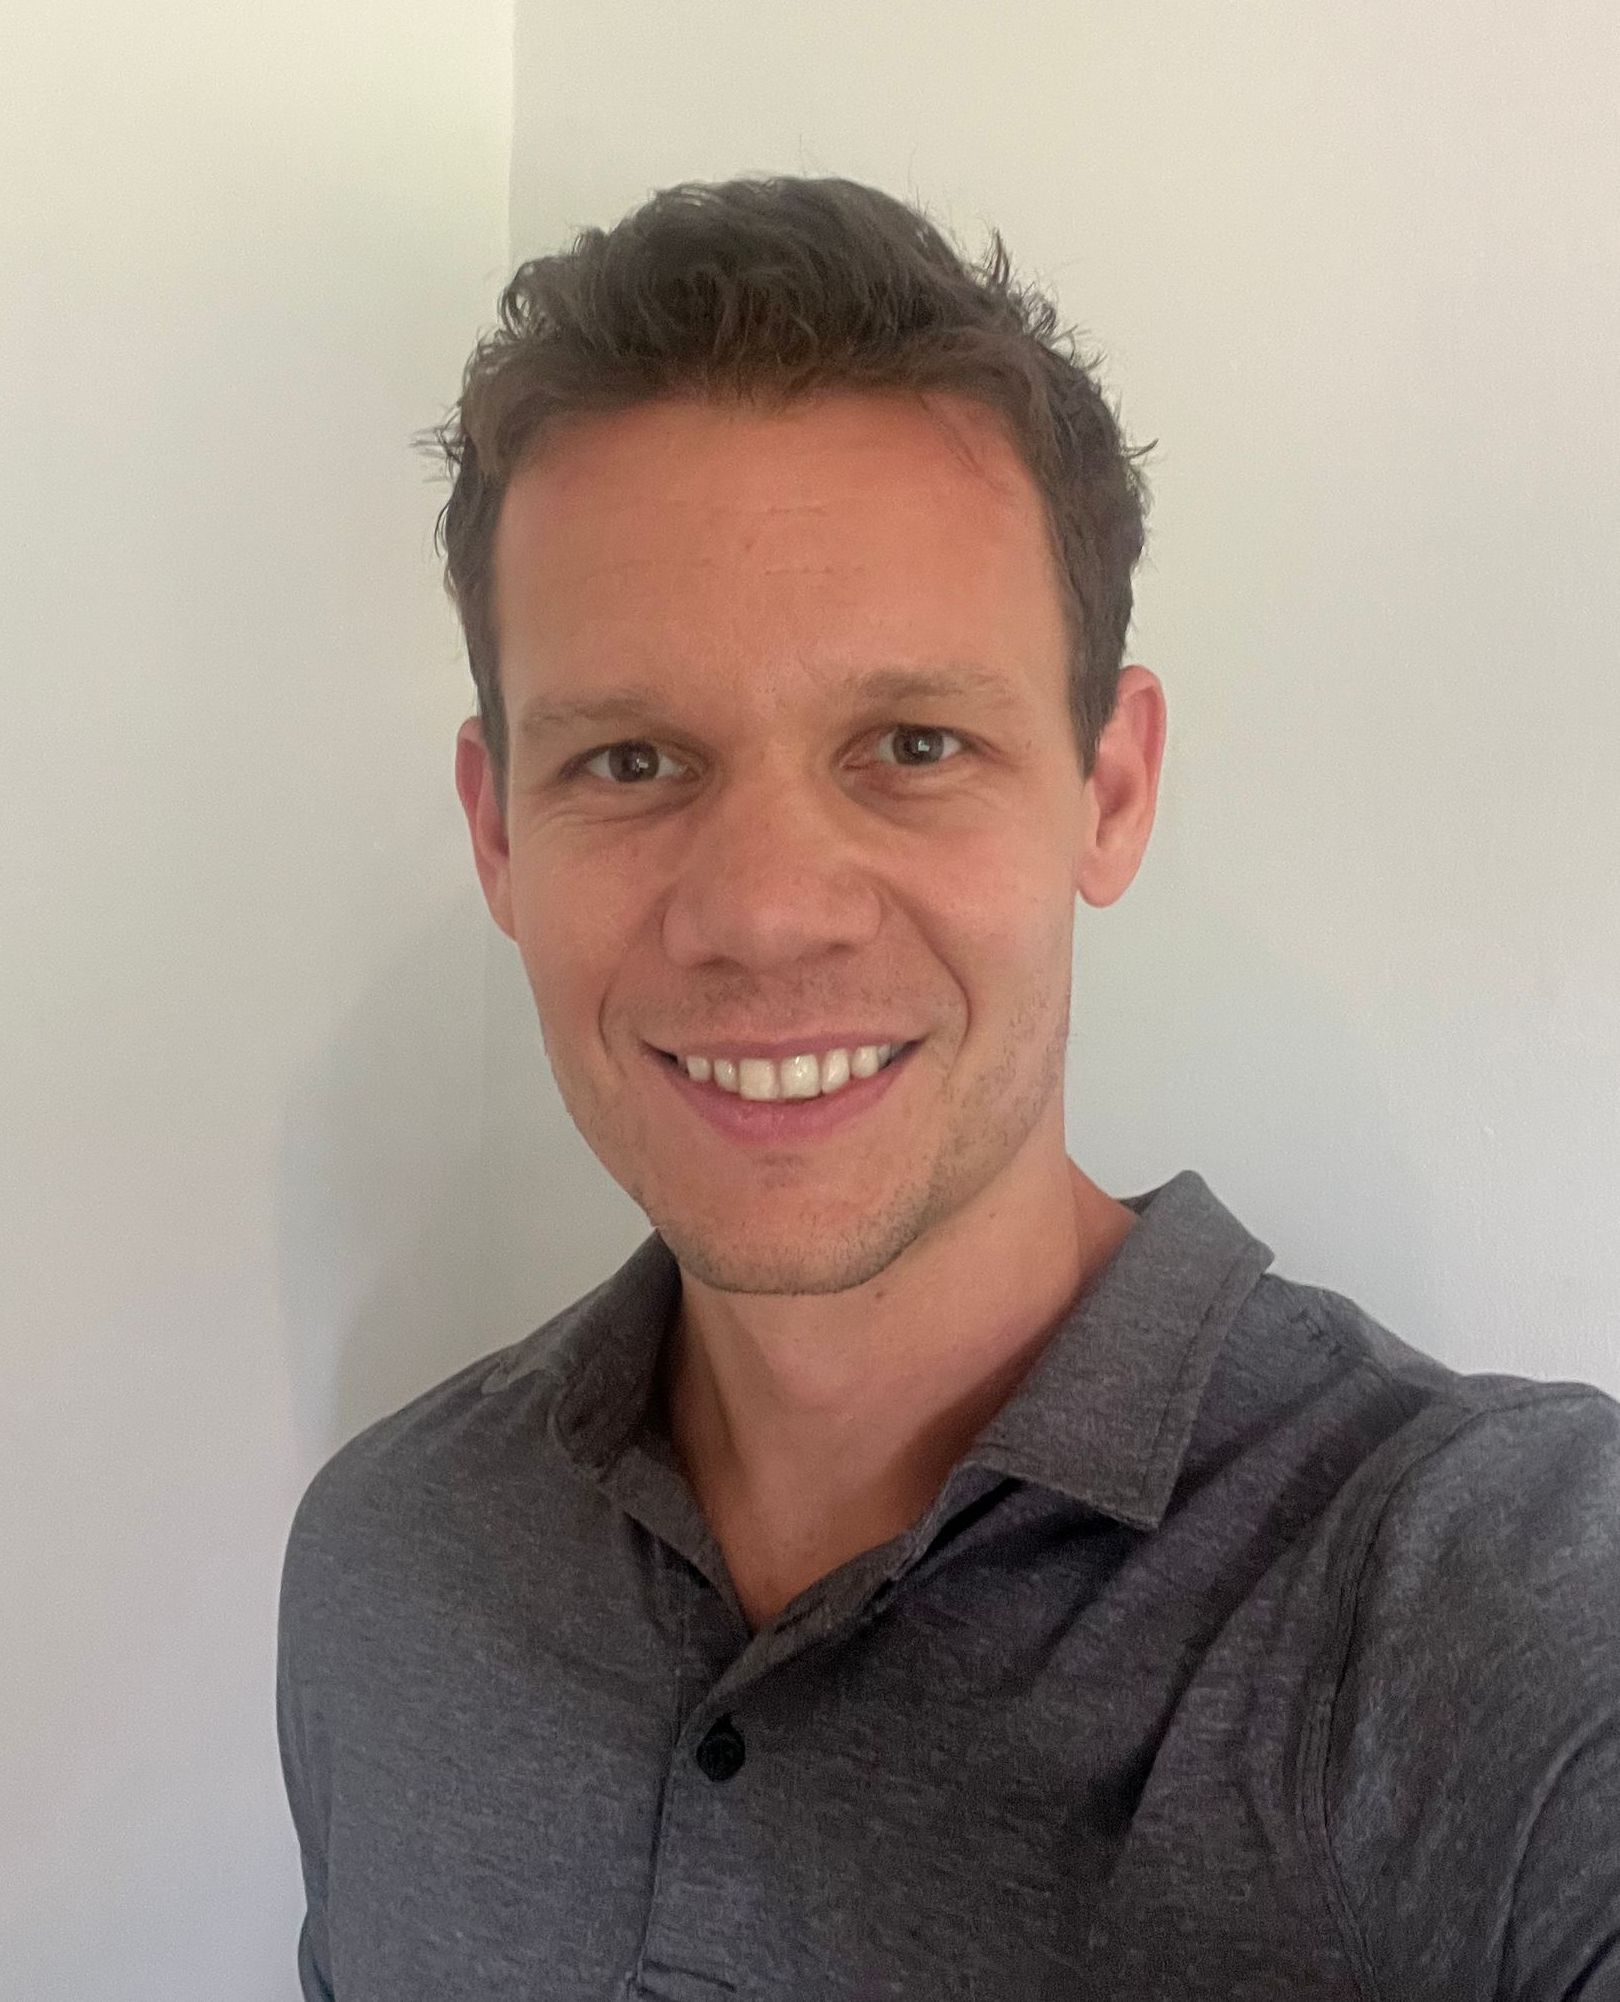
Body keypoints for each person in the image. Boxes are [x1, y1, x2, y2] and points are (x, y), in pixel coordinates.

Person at [276, 176, 1620, 2000]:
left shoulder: (1488, 1618)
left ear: (1111, 789)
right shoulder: (386, 1561)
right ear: (499, 829)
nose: (761, 910)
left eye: (913, 744)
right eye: (632, 756)